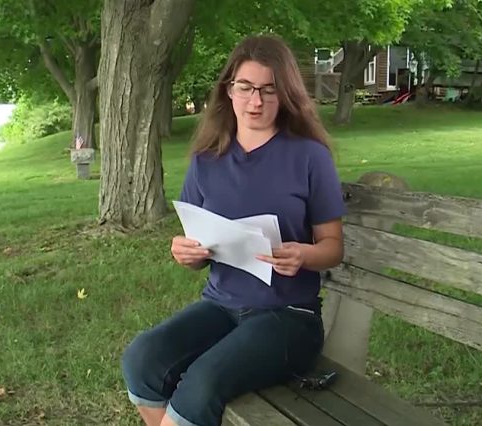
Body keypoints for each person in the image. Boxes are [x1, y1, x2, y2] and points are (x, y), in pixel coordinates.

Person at [121, 34, 346, 426]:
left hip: (288, 316)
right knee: (142, 359)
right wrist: (186, 253)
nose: (255, 101)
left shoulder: (309, 156)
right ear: (228, 89)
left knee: (202, 381)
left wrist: (304, 254)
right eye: (245, 87)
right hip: (220, 306)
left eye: (269, 90)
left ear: (286, 93)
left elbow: (333, 247)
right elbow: (196, 243)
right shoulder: (207, 160)